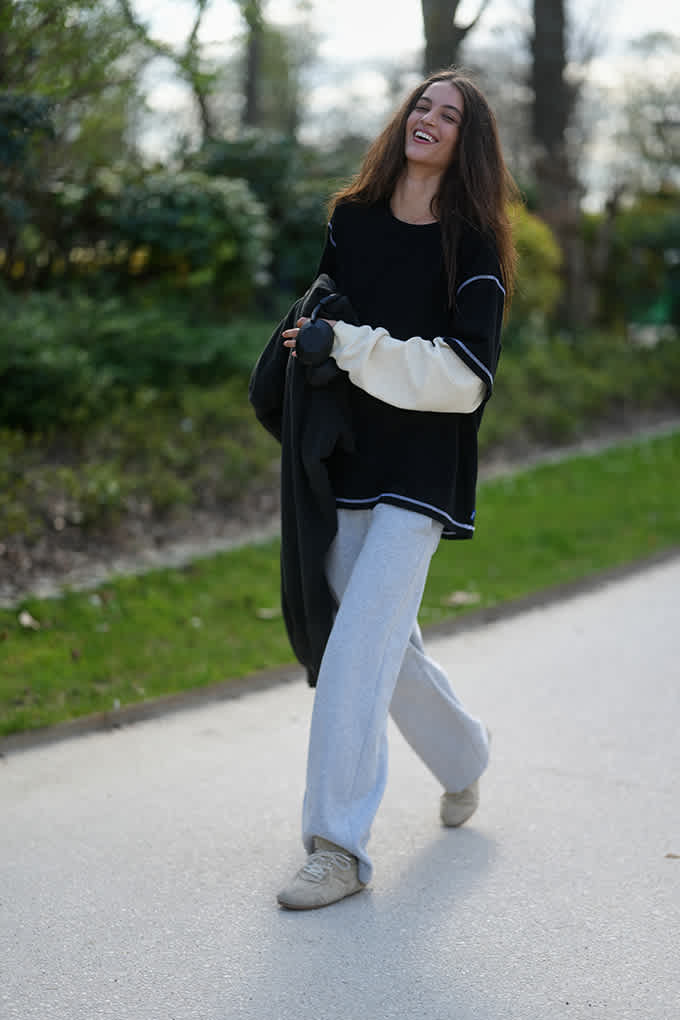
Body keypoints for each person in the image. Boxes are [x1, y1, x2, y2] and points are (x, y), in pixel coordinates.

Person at [256, 68, 518, 910]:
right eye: (421, 105)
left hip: (421, 476)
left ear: (466, 142)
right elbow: (326, 315)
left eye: (449, 115)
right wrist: (312, 341)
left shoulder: (474, 246)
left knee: (357, 651)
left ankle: (337, 848)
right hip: (349, 463)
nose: (429, 119)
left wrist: (354, 346)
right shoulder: (353, 220)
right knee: (387, 649)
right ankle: (467, 758)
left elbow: (464, 378)